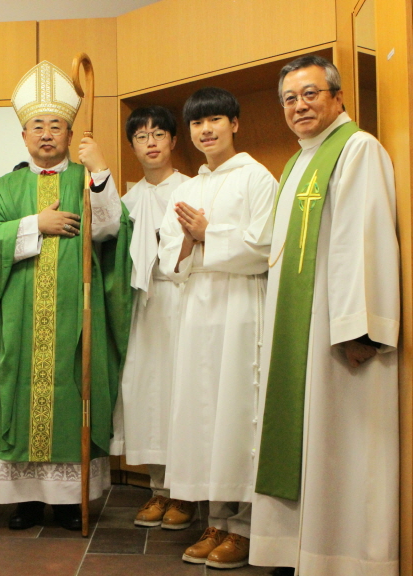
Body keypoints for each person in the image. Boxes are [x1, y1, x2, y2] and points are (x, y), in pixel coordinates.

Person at [250, 55, 400, 576]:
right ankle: (297, 551)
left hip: (338, 335)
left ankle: (341, 557)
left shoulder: (357, 149)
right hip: (300, 330)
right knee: (308, 444)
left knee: (342, 446)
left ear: (338, 97)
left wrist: (360, 329)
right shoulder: (296, 163)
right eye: (289, 99)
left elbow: (363, 239)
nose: (299, 106)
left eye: (310, 94)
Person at [0, 60, 132, 531]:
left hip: (75, 314)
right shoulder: (7, 185)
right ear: (24, 135)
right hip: (21, 315)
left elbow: (110, 229)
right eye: (38, 126)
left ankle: (68, 501)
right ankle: (25, 501)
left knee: (72, 392)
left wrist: (100, 170)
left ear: (69, 133)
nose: (46, 134)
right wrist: (36, 224)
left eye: (56, 125)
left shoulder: (85, 178)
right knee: (21, 395)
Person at [158, 87, 277, 569]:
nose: (206, 130)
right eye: (197, 123)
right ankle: (216, 520)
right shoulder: (185, 189)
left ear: (235, 124)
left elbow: (264, 247)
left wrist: (208, 234)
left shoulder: (257, 178)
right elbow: (169, 260)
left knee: (237, 412)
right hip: (196, 309)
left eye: (215, 120)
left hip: (240, 305)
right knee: (204, 413)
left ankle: (244, 527)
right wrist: (189, 243)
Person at [110, 105, 193, 530]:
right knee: (148, 394)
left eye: (159, 134)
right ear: (133, 146)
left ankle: (185, 492)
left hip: (183, 300)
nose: (151, 143)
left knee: (182, 391)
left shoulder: (192, 190)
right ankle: (159, 488)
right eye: (141, 136)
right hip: (143, 308)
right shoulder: (126, 201)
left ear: (174, 140)